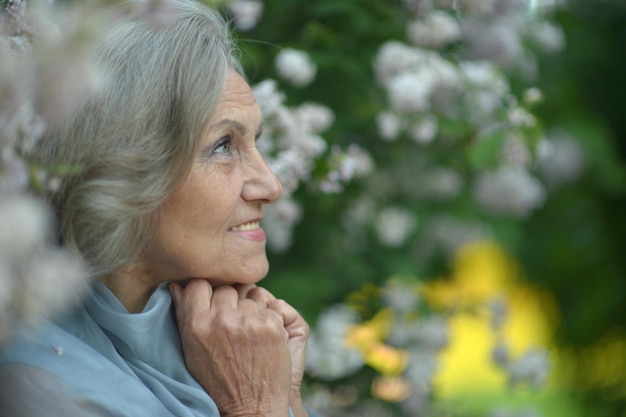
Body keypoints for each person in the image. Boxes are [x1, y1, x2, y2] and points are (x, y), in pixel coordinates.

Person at [0, 1, 317, 416]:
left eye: (254, 141)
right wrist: (256, 406)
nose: (271, 186)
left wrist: (285, 396)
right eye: (223, 146)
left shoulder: (235, 344)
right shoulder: (40, 388)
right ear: (123, 169)